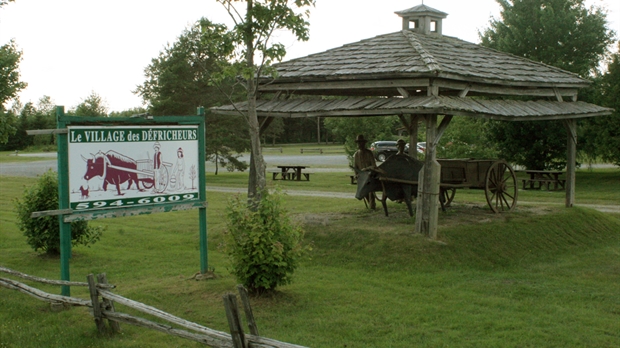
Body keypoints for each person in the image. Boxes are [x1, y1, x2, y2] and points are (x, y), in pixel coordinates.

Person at [353, 134, 377, 209]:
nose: (359, 144)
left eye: (361, 142)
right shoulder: (356, 154)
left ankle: (372, 205)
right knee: (363, 191)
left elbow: (374, 166)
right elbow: (355, 167)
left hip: (370, 176)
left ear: (364, 143)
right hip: (361, 177)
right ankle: (370, 204)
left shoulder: (369, 153)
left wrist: (366, 169)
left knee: (370, 191)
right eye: (358, 143)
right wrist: (356, 174)